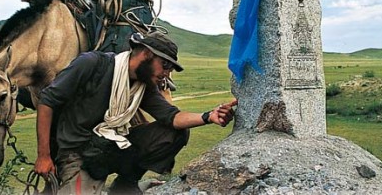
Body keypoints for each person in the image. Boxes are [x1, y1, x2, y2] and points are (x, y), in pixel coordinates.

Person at [34, 31, 237, 194]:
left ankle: (125, 184)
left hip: (113, 146)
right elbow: (47, 101)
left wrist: (208, 116)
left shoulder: (144, 85)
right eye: (165, 65)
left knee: (175, 132)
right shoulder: (92, 64)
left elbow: (172, 117)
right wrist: (44, 156)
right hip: (77, 153)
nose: (167, 73)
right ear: (146, 54)